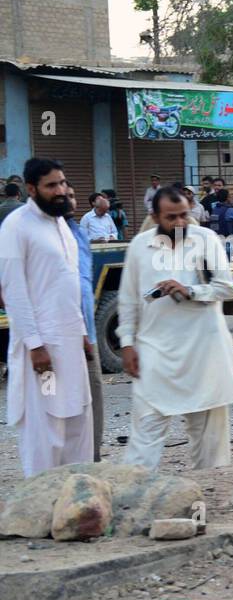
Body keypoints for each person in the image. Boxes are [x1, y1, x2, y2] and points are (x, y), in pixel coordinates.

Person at [119, 187, 233, 470]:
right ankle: (134, 501)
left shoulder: (206, 239)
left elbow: (226, 287)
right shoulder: (140, 246)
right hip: (156, 353)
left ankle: (208, 502)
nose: (179, 223)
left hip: (204, 352)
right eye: (171, 218)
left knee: (209, 443)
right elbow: (127, 301)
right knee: (145, 434)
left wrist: (190, 291)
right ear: (155, 216)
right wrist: (127, 344)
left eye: (184, 215)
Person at [0, 158, 94, 475]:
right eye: (51, 185)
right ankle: (41, 509)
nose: (61, 191)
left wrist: (82, 333)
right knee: (46, 425)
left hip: (70, 341)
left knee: (78, 420)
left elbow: (68, 285)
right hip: (43, 349)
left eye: (63, 183)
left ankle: (76, 505)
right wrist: (34, 345)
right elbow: (13, 291)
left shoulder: (62, 225)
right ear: (31, 189)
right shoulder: (16, 226)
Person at [64, 186, 104, 460]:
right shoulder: (36, 232)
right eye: (55, 189)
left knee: (93, 395)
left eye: (70, 194)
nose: (66, 199)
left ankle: (93, 456)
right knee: (55, 397)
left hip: (86, 334)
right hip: (56, 336)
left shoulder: (77, 231)